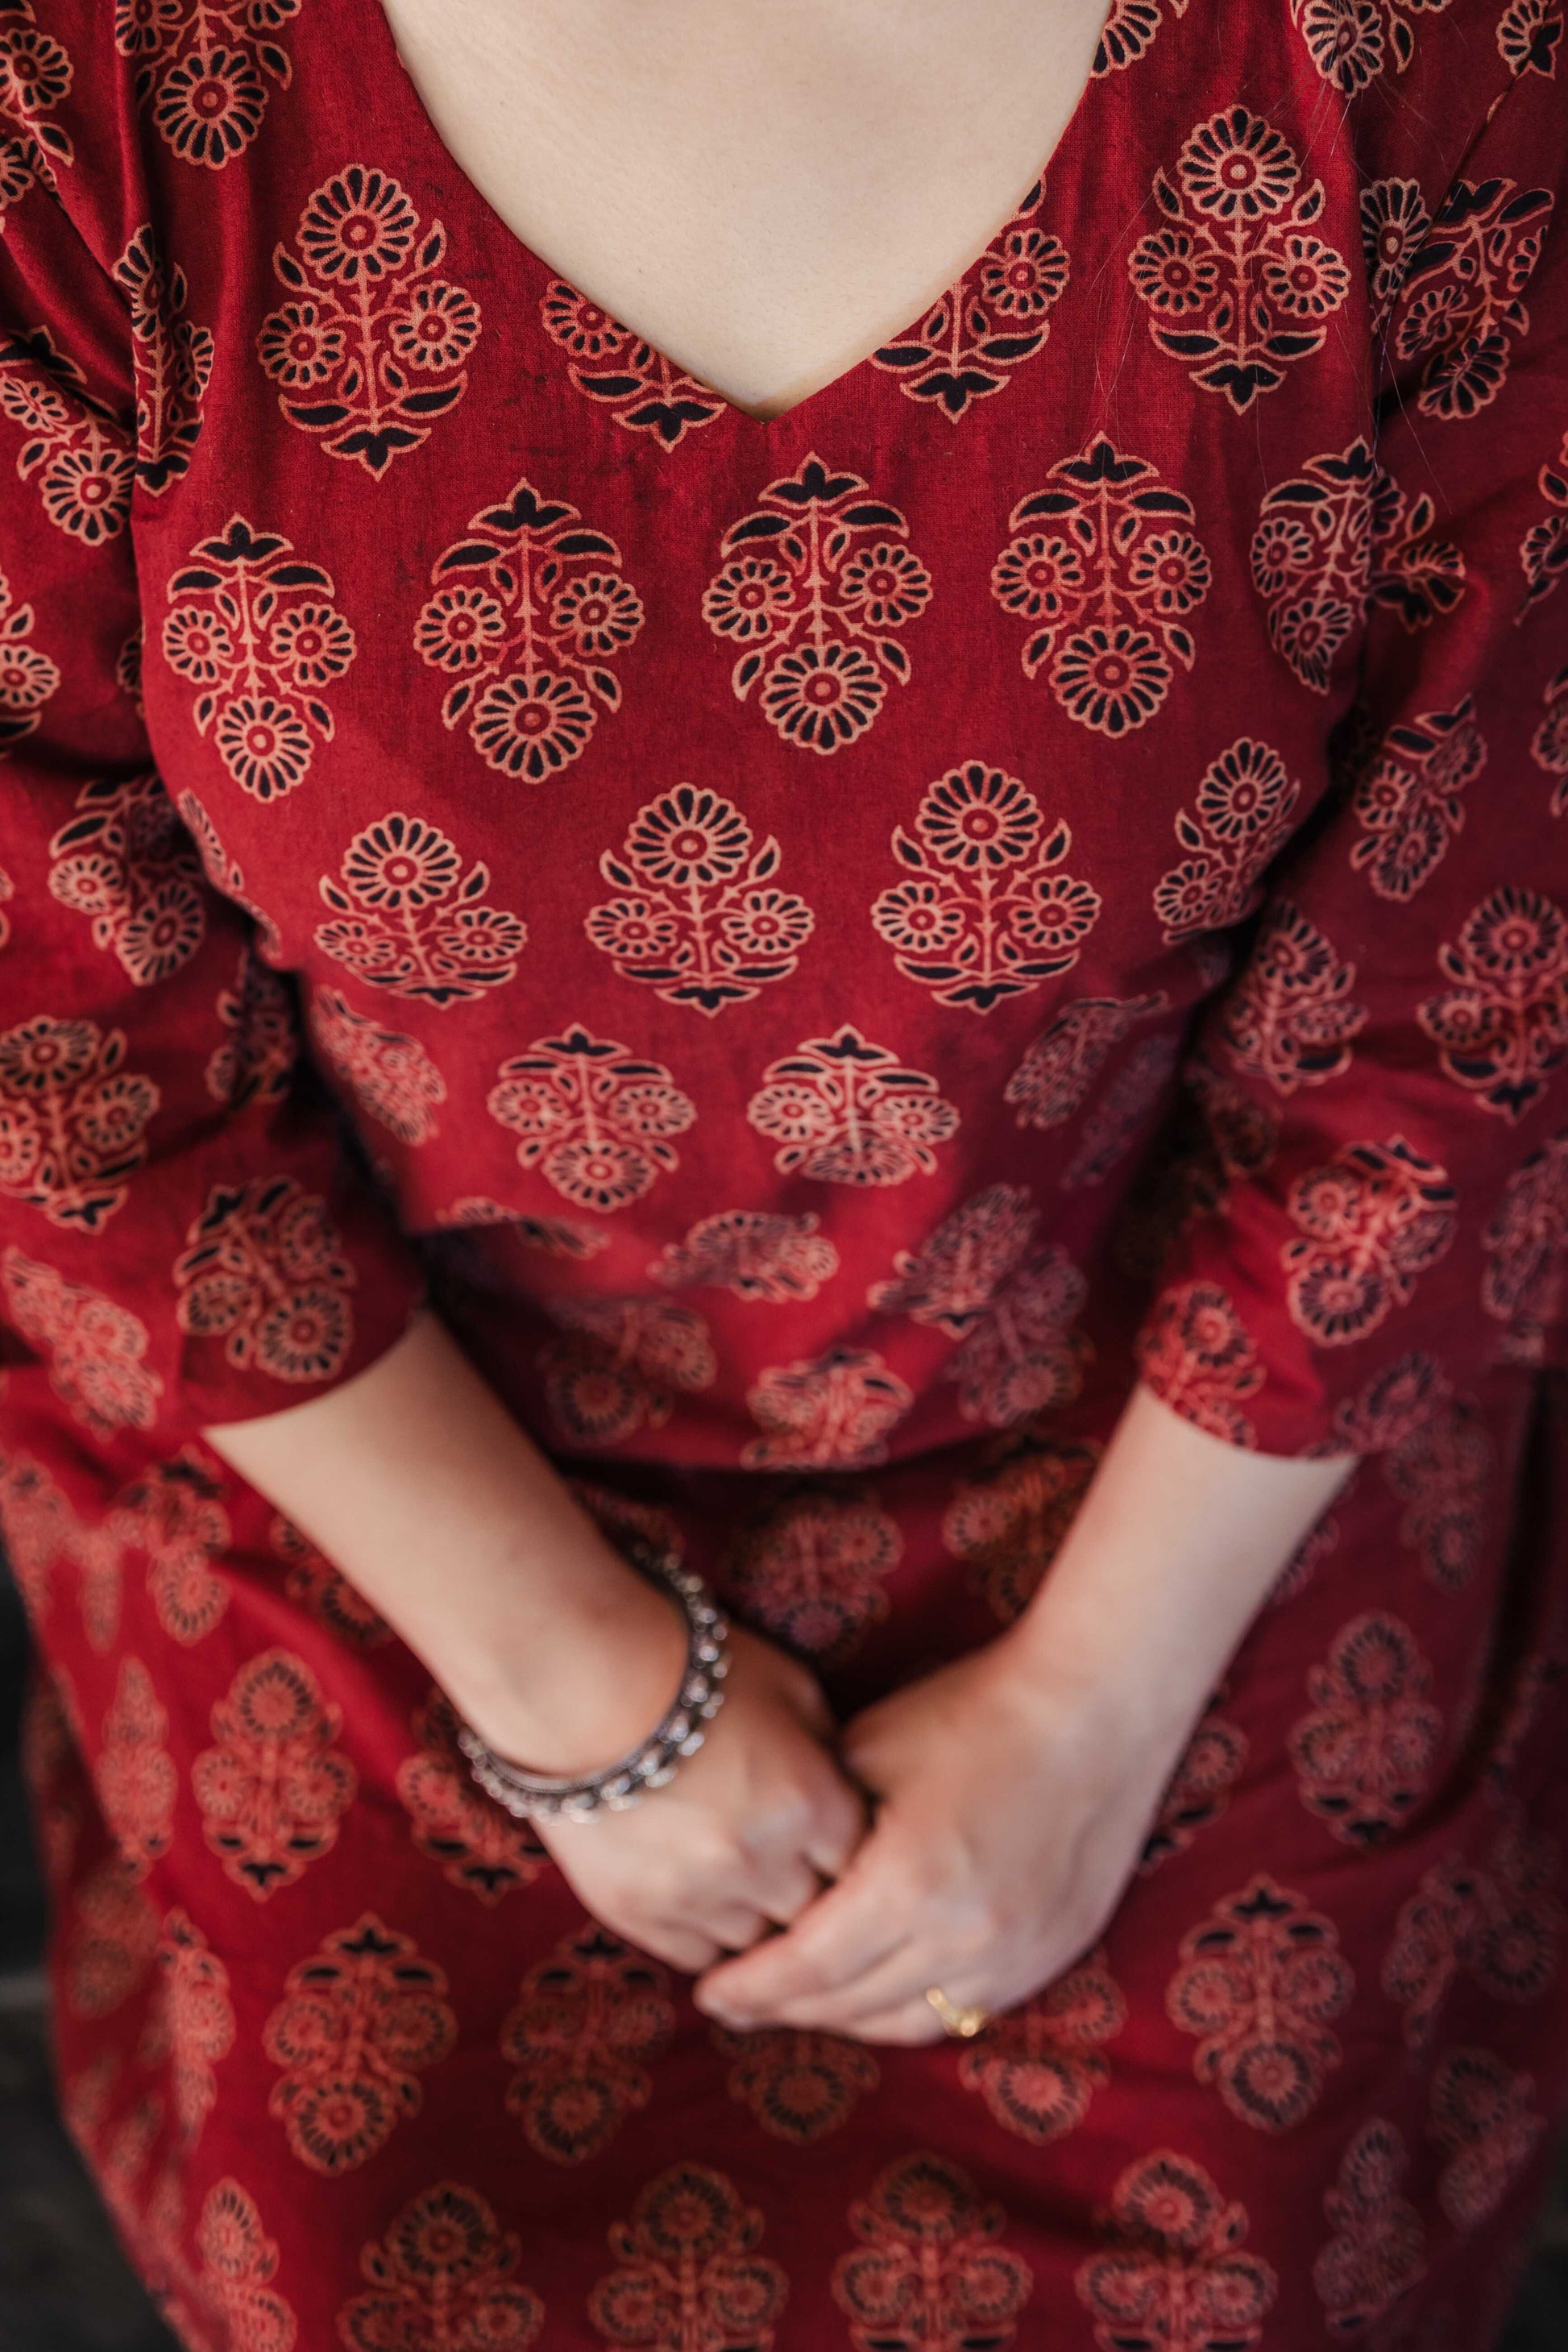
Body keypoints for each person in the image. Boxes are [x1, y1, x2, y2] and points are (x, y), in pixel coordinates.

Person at [0, 0, 1564, 2340]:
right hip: (370, 1455)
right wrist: (575, 1689)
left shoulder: (1420, 61)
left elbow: (1464, 1006)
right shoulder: (86, 86)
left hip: (1195, 1455)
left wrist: (1088, 1714)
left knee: (1240, 2271)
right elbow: (54, 1038)